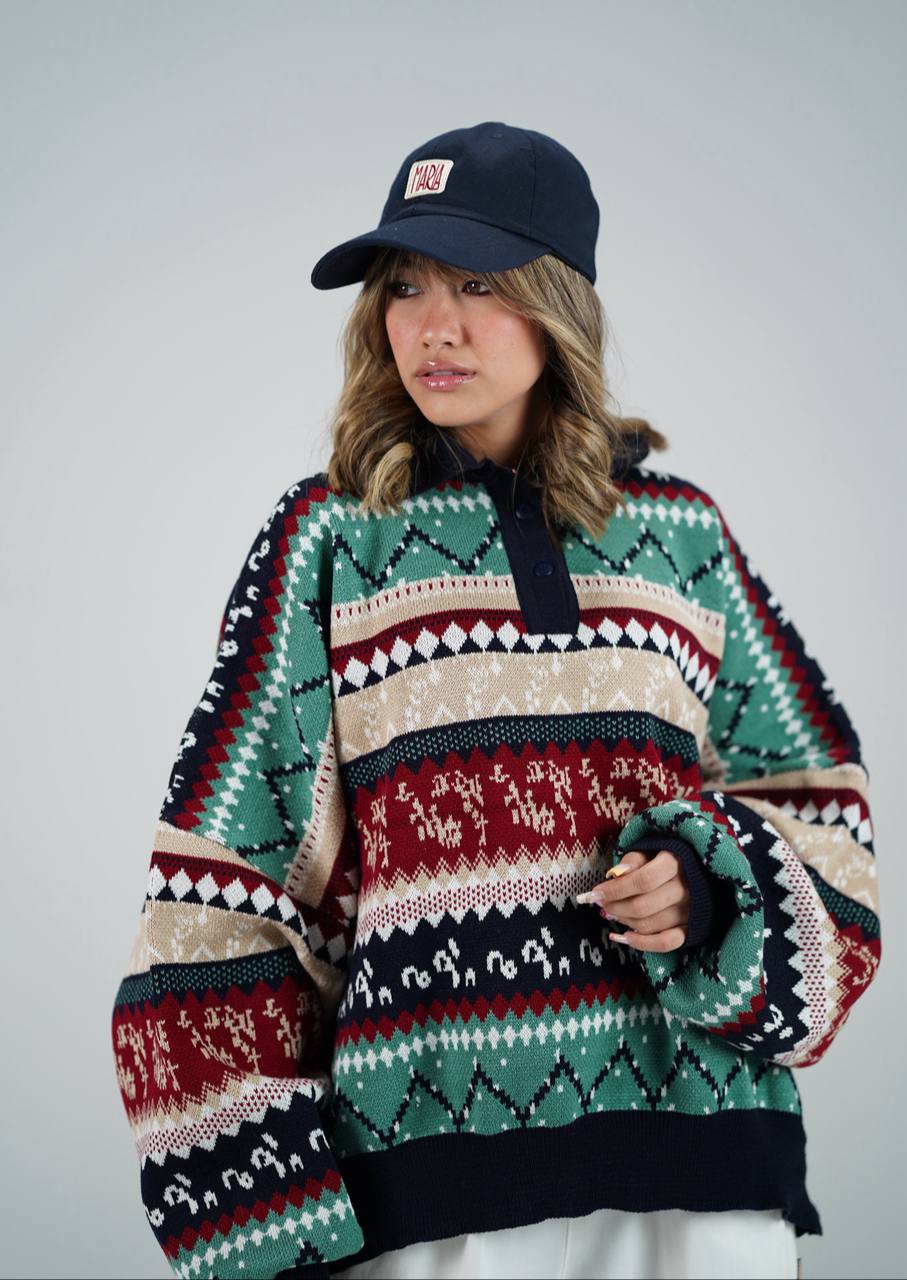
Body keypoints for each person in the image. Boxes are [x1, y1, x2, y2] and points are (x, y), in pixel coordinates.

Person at [111, 122, 881, 1280]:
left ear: (557, 302)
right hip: (433, 1190)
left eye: (477, 282)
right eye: (405, 285)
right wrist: (261, 1215)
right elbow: (228, 876)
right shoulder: (328, 539)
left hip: (702, 1171)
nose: (435, 324)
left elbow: (819, 808)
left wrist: (708, 879)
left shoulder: (681, 533)